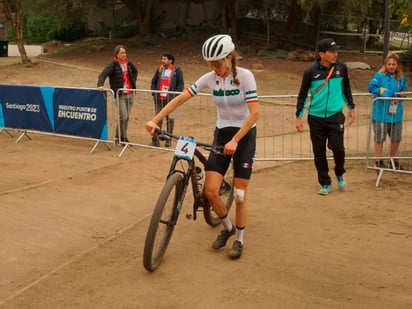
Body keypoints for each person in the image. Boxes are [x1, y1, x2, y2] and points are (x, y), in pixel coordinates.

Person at [146, 34, 259, 259]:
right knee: (210, 190)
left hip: (243, 135)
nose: (214, 68)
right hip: (221, 133)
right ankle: (227, 228)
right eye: (210, 64)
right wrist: (156, 120)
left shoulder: (245, 77)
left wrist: (236, 139)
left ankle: (239, 239)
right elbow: (180, 99)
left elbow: (255, 113)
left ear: (229, 58)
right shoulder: (210, 78)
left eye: (217, 63)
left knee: (238, 193)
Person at [295, 38, 356, 195]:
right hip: (315, 118)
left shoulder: (341, 68)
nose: (335, 54)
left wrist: (351, 108)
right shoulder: (310, 72)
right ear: (321, 54)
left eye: (336, 51)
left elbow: (346, 89)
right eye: (331, 51)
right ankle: (325, 182)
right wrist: (298, 116)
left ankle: (339, 172)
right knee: (319, 152)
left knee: (338, 149)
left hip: (335, 116)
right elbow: (302, 95)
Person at [368, 53, 407, 170]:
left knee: (396, 138)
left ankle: (392, 159)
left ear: (397, 65)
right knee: (379, 138)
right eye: (389, 64)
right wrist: (384, 91)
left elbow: (405, 91)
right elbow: (371, 88)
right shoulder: (379, 76)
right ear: (385, 64)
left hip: (396, 114)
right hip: (380, 113)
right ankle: (378, 160)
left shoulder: (401, 78)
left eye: (393, 64)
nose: (391, 66)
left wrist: (403, 95)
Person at [97, 45, 138, 143]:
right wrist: (100, 84)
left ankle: (122, 136)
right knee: (123, 116)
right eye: (122, 53)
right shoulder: (113, 64)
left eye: (125, 52)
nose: (124, 55)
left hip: (129, 93)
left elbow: (136, 71)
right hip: (119, 94)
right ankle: (118, 136)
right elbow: (103, 74)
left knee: (126, 117)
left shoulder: (128, 63)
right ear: (117, 54)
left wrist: (132, 82)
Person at [150, 53, 184, 147]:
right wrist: (154, 93)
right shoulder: (160, 69)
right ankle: (155, 140)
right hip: (159, 98)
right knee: (157, 119)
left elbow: (181, 85)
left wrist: (176, 96)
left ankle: (168, 139)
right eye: (162, 58)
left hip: (172, 99)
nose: (162, 60)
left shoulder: (178, 70)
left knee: (171, 119)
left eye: (164, 59)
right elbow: (153, 81)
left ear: (170, 61)